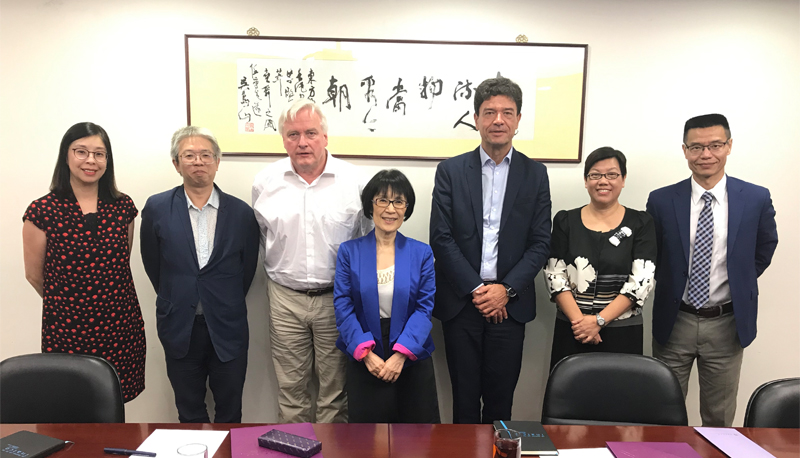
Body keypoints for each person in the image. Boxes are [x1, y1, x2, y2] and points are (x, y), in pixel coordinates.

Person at [430, 76, 552, 424]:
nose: (498, 120)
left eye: (507, 112)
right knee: (464, 405)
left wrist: (505, 290)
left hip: (509, 306)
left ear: (518, 119)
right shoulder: (451, 171)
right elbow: (441, 237)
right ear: (477, 118)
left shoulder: (535, 174)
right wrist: (478, 289)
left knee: (501, 405)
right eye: (489, 112)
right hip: (462, 303)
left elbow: (540, 241)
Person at [646, 113, 778, 427]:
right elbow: (653, 255)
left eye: (715, 145)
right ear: (684, 150)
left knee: (718, 417)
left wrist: (739, 278)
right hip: (675, 319)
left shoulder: (755, 198)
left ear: (729, 146)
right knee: (663, 411)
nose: (706, 154)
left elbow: (764, 248)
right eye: (696, 147)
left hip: (726, 323)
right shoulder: (662, 200)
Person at [252, 98, 370, 423]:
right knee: (291, 390)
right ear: (283, 139)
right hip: (284, 298)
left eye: (311, 133)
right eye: (293, 135)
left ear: (325, 137)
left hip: (338, 299)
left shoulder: (354, 182)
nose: (302, 142)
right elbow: (264, 239)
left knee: (335, 391)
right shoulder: (265, 182)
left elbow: (364, 239)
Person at [140, 126, 259, 423]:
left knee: (230, 410)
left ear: (217, 161)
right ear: (176, 163)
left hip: (227, 325)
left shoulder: (242, 213)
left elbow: (247, 270)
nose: (198, 162)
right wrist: (181, 294)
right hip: (180, 324)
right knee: (189, 410)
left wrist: (219, 297)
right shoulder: (156, 208)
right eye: (189, 155)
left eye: (206, 155)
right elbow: (153, 265)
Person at [22, 122, 146, 402]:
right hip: (67, 327)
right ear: (66, 156)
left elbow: (119, 262)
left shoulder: (123, 206)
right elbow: (34, 275)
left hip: (119, 323)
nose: (91, 160)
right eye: (81, 151)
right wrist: (73, 301)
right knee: (69, 405)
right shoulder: (42, 210)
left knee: (114, 403)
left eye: (99, 154)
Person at [334, 169, 440, 424]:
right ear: (370, 205)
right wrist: (366, 354)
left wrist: (400, 355)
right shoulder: (350, 252)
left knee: (416, 440)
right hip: (365, 351)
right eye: (382, 200)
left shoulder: (421, 252)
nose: (390, 209)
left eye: (398, 201)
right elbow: (343, 304)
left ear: (406, 208)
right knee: (368, 441)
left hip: (411, 351)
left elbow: (425, 308)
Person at [544, 147, 656, 372]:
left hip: (623, 329)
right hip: (573, 328)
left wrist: (598, 321)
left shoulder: (640, 223)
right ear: (586, 181)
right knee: (569, 399)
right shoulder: (566, 221)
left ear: (623, 179)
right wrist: (582, 324)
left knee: (619, 401)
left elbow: (641, 281)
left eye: (612, 174)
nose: (603, 181)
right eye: (595, 175)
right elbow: (554, 276)